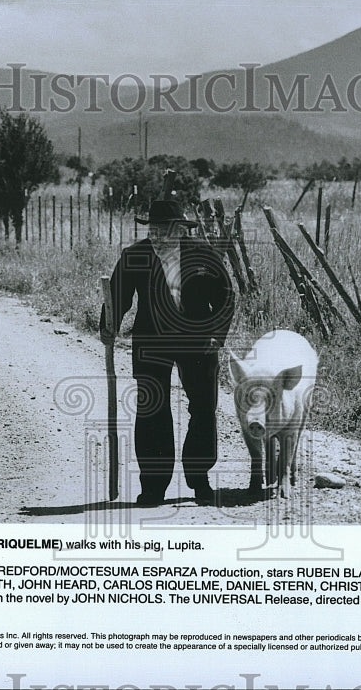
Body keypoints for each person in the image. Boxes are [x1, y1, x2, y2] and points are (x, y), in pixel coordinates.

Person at [100, 199, 235, 506]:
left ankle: (199, 480)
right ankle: (153, 487)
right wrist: (108, 326)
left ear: (180, 228)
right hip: (152, 340)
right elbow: (118, 296)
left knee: (203, 409)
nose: (158, 234)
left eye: (165, 228)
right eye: (154, 228)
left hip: (198, 340)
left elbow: (226, 296)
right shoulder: (135, 255)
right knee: (152, 409)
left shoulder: (203, 253)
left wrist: (217, 334)